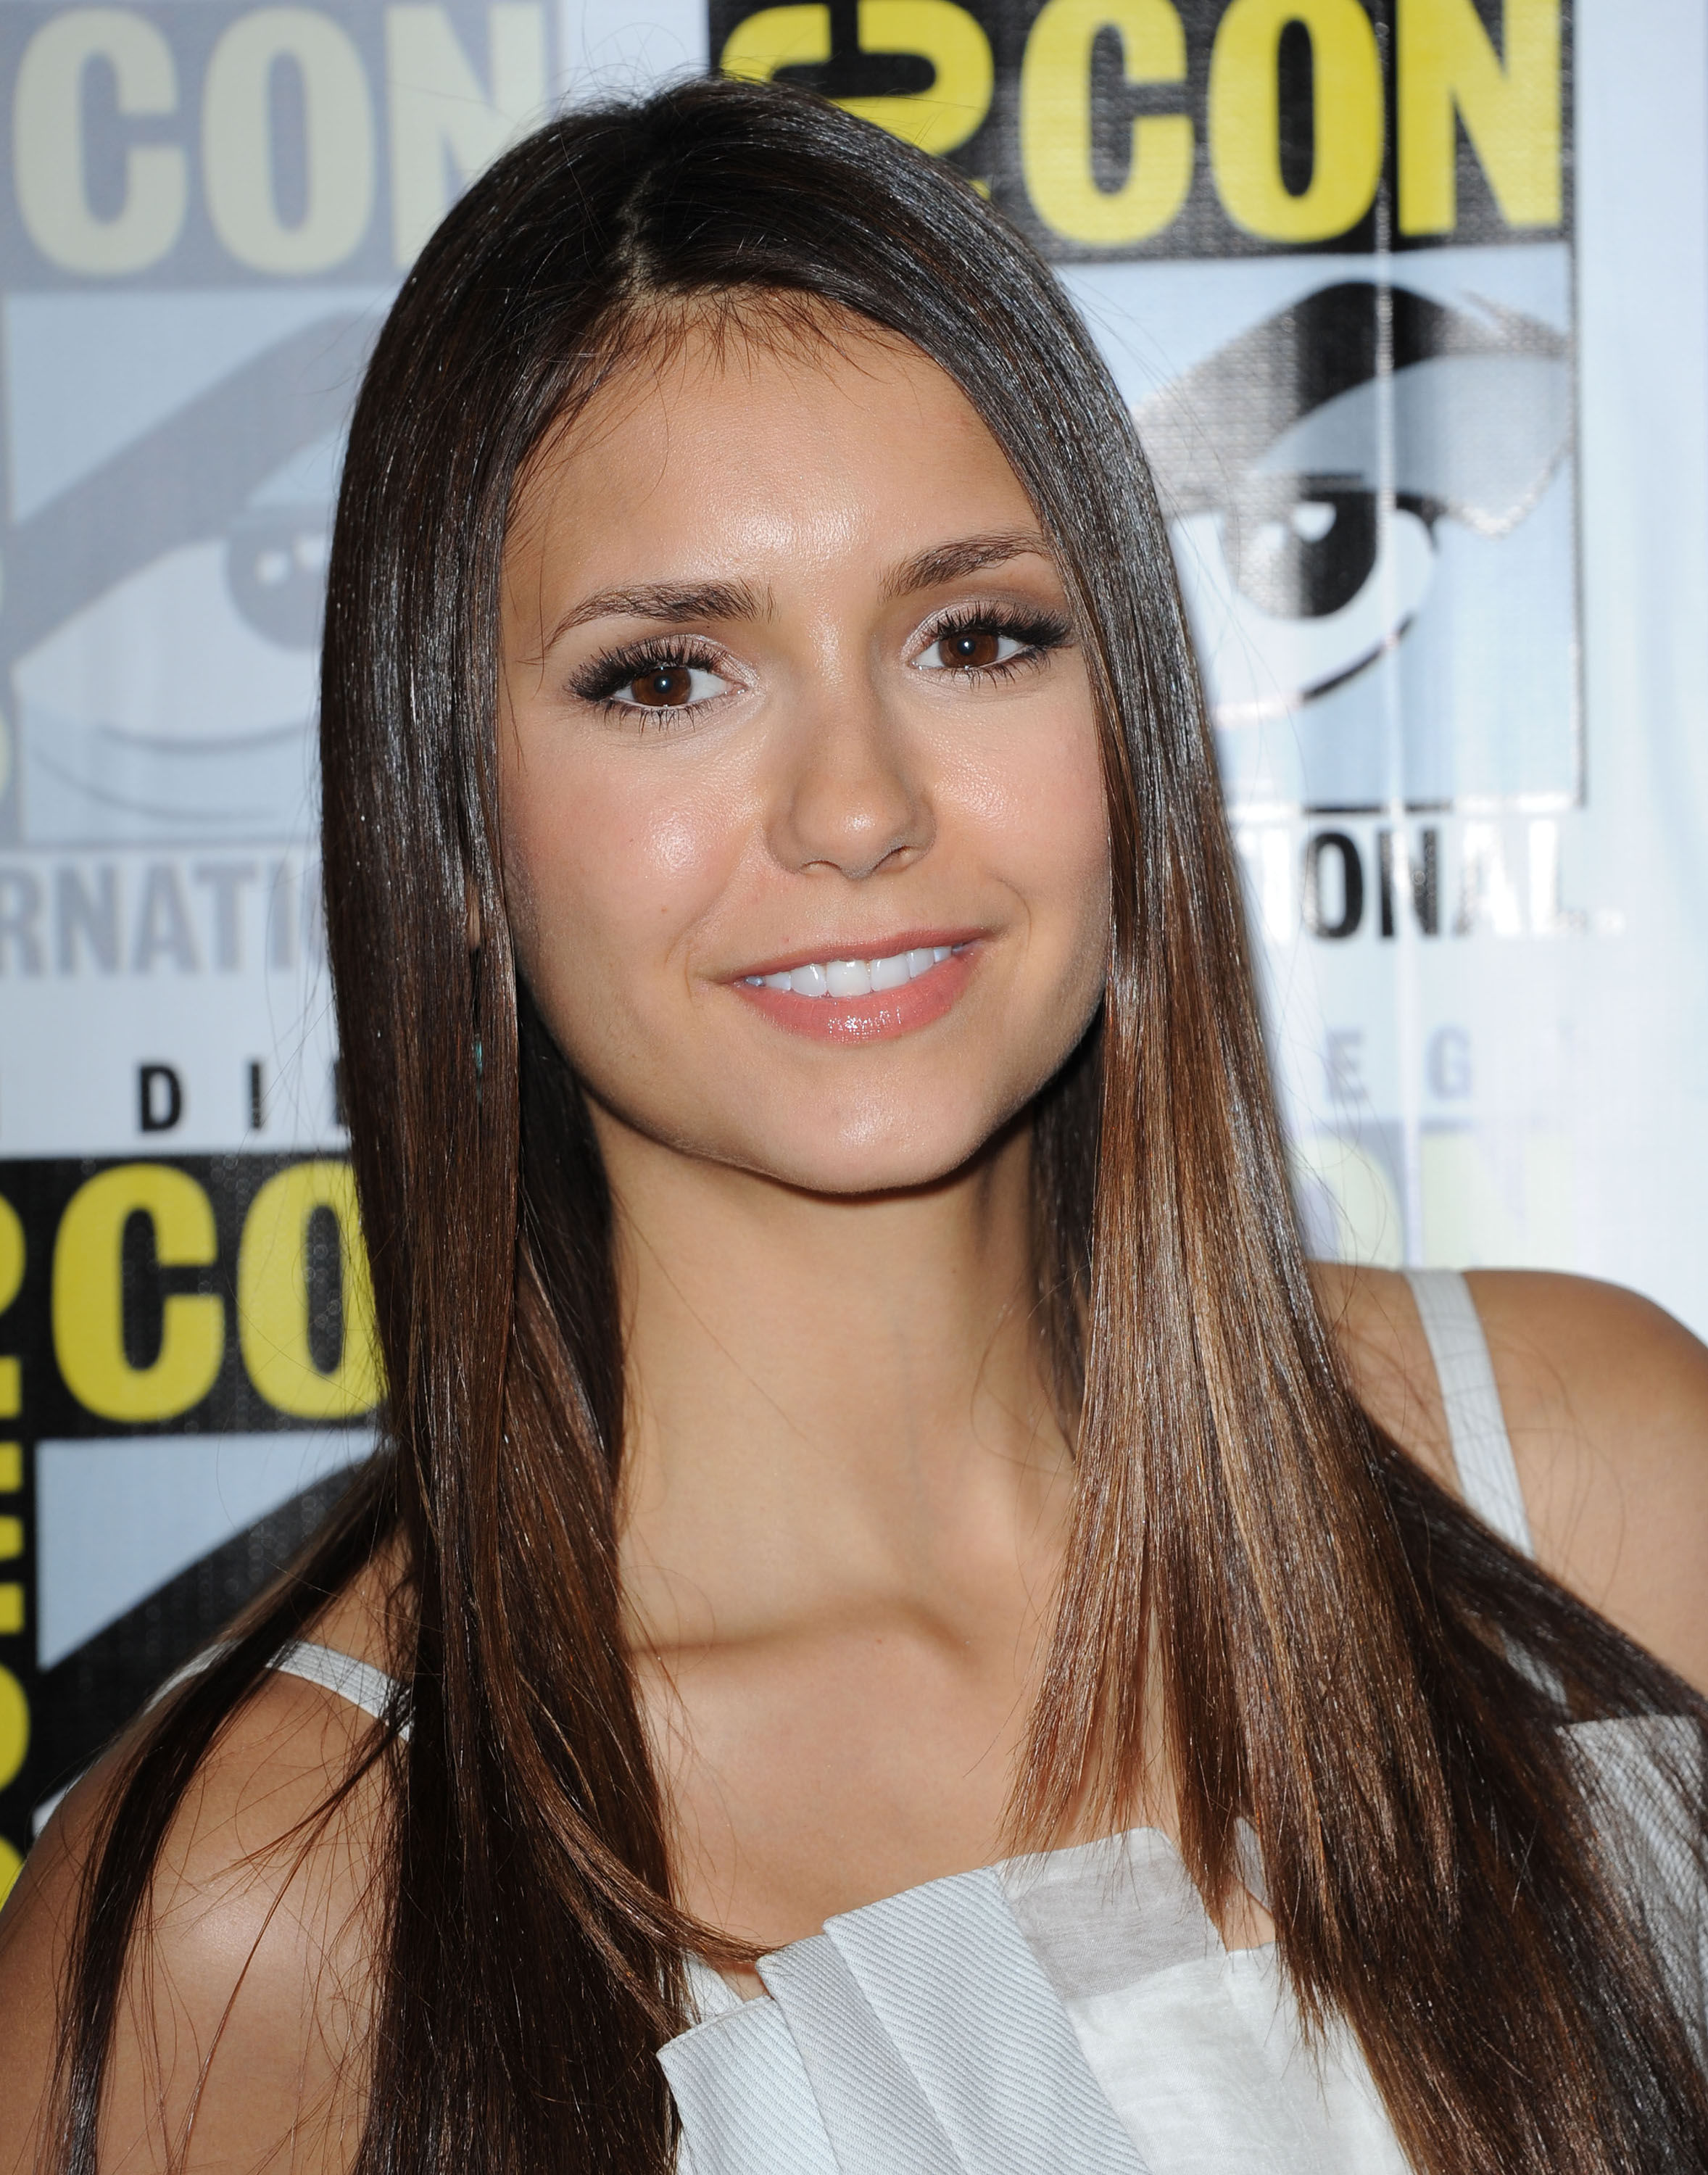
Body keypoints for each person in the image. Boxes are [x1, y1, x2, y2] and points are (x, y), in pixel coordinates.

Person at [3, 74, 1707, 2175]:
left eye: (975, 637)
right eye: (664, 676)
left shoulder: (1598, 1489)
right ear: (449, 806)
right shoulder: (255, 1912)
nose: (858, 807)